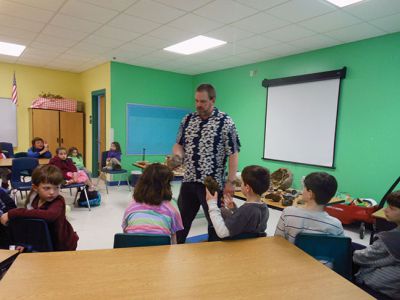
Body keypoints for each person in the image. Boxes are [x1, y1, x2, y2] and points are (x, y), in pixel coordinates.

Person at [172, 83, 241, 243]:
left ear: (213, 100)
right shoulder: (187, 119)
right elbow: (179, 144)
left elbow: (233, 154)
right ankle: (175, 253)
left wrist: (230, 182)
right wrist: (178, 155)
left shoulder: (226, 122)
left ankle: (214, 259)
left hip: (212, 185)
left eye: (202, 101)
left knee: (215, 224)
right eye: (196, 101)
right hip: (189, 180)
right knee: (181, 222)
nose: (198, 105)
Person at [0, 165, 79, 251]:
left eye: (56, 188)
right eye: (47, 188)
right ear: (35, 188)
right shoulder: (33, 199)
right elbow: (30, 224)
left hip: (63, 245)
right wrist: (24, 244)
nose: (52, 192)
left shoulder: (58, 201)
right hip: (45, 243)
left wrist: (13, 212)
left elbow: (49, 216)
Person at [353, 191, 400, 299]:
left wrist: (354, 254)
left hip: (381, 290)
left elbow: (360, 258)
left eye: (392, 208)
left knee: (349, 249)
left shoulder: (388, 240)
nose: (385, 210)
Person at [122, 163, 183, 244]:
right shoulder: (172, 207)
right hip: (160, 250)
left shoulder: (132, 205)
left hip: (133, 249)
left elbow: (125, 231)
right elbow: (174, 235)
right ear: (167, 186)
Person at [274, 172, 344, 243]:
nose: (302, 191)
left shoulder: (288, 213)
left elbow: (277, 240)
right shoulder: (336, 225)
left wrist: (294, 207)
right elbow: (340, 250)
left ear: (310, 194)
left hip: (289, 254)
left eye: (304, 187)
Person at [206, 165, 269, 238]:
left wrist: (212, 204)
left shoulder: (246, 210)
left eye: (242, 182)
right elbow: (247, 223)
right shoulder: (264, 208)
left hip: (237, 246)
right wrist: (234, 209)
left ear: (247, 188)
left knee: (221, 211)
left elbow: (222, 233)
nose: (241, 184)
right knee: (224, 211)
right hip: (251, 244)